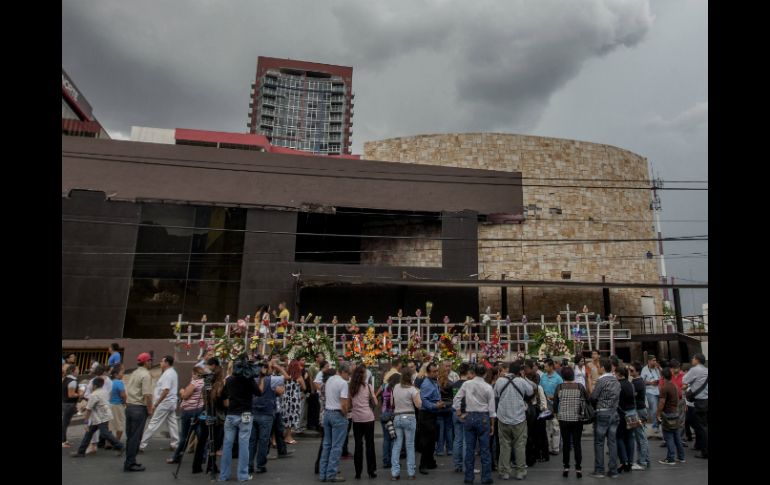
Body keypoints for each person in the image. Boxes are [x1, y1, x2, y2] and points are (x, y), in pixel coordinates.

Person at [218, 355, 262, 482]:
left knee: (227, 445)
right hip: (246, 413)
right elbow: (258, 392)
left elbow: (223, 395)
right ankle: (242, 475)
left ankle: (224, 475)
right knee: (244, 444)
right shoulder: (249, 379)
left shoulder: (230, 379)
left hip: (231, 413)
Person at [453, 363, 496, 485]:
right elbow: (492, 409)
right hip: (483, 417)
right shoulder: (488, 387)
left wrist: (459, 413)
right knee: (485, 450)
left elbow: (457, 399)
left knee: (470, 449)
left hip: (470, 416)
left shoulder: (467, 384)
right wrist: (492, 424)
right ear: (485, 373)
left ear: (474, 372)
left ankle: (469, 477)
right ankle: (486, 478)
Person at [495, 361, 533, 481]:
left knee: (504, 445)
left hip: (503, 417)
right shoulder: (521, 381)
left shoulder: (500, 381)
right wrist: (523, 378)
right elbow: (531, 391)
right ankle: (520, 472)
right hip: (519, 418)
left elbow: (496, 394)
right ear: (520, 371)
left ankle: (504, 472)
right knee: (520, 445)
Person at [70, 377, 124, 457]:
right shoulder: (104, 391)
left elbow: (89, 409)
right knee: (89, 433)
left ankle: (120, 445)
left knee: (104, 433)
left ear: (94, 386)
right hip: (105, 415)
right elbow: (98, 403)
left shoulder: (94, 394)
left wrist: (86, 421)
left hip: (99, 417)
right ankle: (81, 451)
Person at [167, 362, 206, 466]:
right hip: (199, 410)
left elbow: (185, 396)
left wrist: (181, 391)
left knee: (184, 436)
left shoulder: (194, 383)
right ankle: (204, 456)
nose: (191, 375)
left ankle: (176, 457)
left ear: (196, 374)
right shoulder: (204, 382)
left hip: (189, 411)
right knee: (200, 434)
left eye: (193, 373)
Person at [319, 362, 352, 483]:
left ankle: (323, 473)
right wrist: (346, 414)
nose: (349, 377)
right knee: (336, 446)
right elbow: (344, 404)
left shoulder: (330, 380)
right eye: (348, 374)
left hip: (327, 413)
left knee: (327, 445)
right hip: (338, 414)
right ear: (343, 372)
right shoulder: (343, 383)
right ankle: (332, 474)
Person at [589, 358, 621, 479]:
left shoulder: (601, 381)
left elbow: (594, 397)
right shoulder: (616, 381)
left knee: (599, 442)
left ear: (602, 368)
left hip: (602, 412)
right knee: (612, 442)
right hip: (614, 412)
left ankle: (599, 470)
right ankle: (613, 470)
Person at [140, 355, 179, 452]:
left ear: (166, 363)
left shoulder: (168, 374)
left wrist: (156, 404)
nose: (160, 363)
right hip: (170, 401)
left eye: (162, 361)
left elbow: (165, 390)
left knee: (153, 423)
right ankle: (175, 444)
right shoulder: (172, 372)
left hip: (165, 402)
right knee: (172, 423)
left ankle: (142, 444)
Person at [554, 366, 587, 478]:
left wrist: (556, 415)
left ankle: (566, 467)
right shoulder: (580, 386)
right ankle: (578, 468)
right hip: (577, 419)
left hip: (563, 419)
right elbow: (587, 400)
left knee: (566, 444)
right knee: (577, 443)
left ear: (563, 376)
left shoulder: (559, 387)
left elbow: (555, 404)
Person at [124, 352, 154, 472]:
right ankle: (130, 463)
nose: (151, 362)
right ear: (146, 362)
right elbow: (147, 395)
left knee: (130, 437)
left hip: (130, 407)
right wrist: (149, 409)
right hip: (138, 408)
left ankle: (130, 461)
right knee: (135, 438)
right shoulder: (146, 375)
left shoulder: (134, 372)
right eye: (150, 360)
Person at [391, 370, 422, 480]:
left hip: (397, 416)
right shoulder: (413, 390)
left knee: (397, 445)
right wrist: (418, 392)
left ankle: (395, 473)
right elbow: (419, 405)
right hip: (409, 417)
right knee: (409, 445)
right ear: (411, 379)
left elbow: (392, 403)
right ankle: (410, 472)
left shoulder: (395, 387)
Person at [349, 365, 378, 479]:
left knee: (358, 445)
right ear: (363, 375)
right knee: (370, 445)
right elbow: (375, 402)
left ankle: (358, 472)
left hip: (356, 419)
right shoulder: (368, 387)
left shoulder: (351, 388)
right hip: (368, 418)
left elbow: (350, 403)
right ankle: (371, 471)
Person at [418, 362, 446, 474]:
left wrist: (439, 402)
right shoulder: (426, 384)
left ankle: (430, 462)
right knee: (426, 441)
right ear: (428, 373)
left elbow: (434, 396)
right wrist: (435, 405)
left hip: (433, 414)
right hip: (426, 415)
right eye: (434, 371)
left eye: (437, 371)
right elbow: (424, 400)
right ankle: (423, 465)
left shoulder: (434, 382)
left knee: (431, 440)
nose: (436, 373)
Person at [681, 353, 708, 459]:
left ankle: (704, 451)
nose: (692, 360)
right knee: (704, 426)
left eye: (693, 358)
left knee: (701, 427)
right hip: (706, 399)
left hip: (700, 401)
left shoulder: (695, 369)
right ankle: (701, 446)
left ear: (697, 360)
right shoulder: (706, 370)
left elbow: (684, 380)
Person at [657, 367, 685, 465]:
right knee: (677, 436)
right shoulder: (674, 385)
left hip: (668, 414)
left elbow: (662, 402)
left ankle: (670, 458)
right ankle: (681, 457)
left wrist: (658, 413)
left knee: (668, 436)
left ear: (663, 377)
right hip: (675, 413)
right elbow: (679, 396)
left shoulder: (664, 387)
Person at [539, 359, 563, 455]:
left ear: (551, 366)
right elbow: (540, 389)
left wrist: (553, 397)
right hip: (545, 406)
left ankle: (556, 448)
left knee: (556, 427)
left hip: (555, 406)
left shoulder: (558, 378)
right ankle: (547, 447)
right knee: (547, 427)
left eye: (546, 366)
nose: (544, 368)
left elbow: (561, 392)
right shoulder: (543, 376)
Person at [615, 366, 636, 473]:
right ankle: (630, 461)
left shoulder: (618, 385)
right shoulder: (630, 384)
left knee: (619, 437)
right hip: (632, 413)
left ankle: (624, 461)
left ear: (619, 374)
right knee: (630, 437)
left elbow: (617, 401)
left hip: (623, 414)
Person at [451, 363, 472, 473]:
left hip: (455, 412)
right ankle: (465, 466)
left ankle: (457, 464)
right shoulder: (469, 384)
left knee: (457, 439)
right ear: (468, 372)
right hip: (466, 413)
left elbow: (455, 399)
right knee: (466, 441)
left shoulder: (454, 384)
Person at [629, 362, 650, 470]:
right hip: (640, 409)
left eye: (632, 370)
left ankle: (642, 461)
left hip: (639, 410)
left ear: (637, 371)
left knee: (640, 436)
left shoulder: (637, 382)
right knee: (641, 435)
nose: (630, 371)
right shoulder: (637, 381)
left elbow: (633, 396)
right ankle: (645, 459)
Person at [378, 372, 400, 470]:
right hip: (392, 415)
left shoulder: (384, 386)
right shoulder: (396, 389)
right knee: (393, 438)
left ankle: (385, 461)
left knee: (386, 439)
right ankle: (392, 460)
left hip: (383, 415)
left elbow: (377, 395)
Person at [282, 360, 305, 444]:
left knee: (287, 417)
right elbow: (304, 387)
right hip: (294, 399)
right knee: (292, 417)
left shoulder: (286, 376)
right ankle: (288, 437)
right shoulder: (299, 377)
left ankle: (287, 436)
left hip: (286, 399)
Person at [435, 365, 454, 457]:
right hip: (449, 408)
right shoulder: (450, 383)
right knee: (449, 429)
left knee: (440, 430)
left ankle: (440, 450)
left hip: (439, 408)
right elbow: (453, 398)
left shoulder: (436, 384)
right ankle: (450, 449)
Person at [640, 355, 661, 433]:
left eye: (655, 360)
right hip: (650, 392)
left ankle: (658, 424)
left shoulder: (657, 369)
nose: (655, 362)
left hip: (658, 391)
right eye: (653, 360)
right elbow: (642, 381)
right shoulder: (644, 369)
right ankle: (655, 425)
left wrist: (659, 368)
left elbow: (662, 377)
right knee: (654, 409)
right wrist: (650, 382)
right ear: (649, 361)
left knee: (659, 410)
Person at [107, 365, 127, 448]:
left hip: (109, 405)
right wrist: (125, 402)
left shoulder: (110, 382)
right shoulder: (119, 382)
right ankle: (117, 442)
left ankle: (108, 443)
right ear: (116, 374)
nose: (123, 374)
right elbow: (123, 395)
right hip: (117, 405)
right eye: (121, 372)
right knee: (120, 425)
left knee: (110, 425)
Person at [62, 364, 80, 448]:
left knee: (65, 423)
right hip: (69, 404)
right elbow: (71, 395)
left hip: (65, 403)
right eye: (77, 369)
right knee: (65, 423)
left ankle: (64, 440)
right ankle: (63, 441)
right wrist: (80, 394)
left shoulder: (66, 378)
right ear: (73, 371)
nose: (78, 371)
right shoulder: (72, 381)